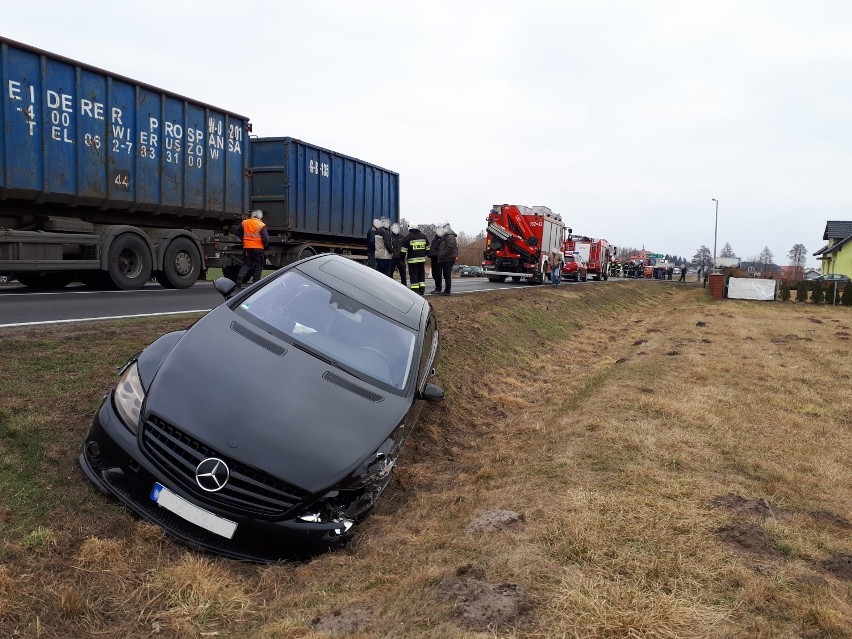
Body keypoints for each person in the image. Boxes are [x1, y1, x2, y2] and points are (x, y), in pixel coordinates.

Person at [234, 209, 269, 288]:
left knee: (247, 263)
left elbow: (237, 232)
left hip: (247, 247)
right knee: (259, 265)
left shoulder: (245, 222)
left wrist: (244, 238)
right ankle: (256, 282)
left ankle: (240, 276)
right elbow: (265, 238)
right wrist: (265, 245)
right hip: (258, 248)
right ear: (260, 217)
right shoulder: (261, 225)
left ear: (252, 216)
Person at [401, 221, 429, 295]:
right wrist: (423, 254)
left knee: (414, 275)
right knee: (421, 275)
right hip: (422, 260)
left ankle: (415, 291)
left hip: (412, 261)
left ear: (409, 227)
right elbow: (428, 248)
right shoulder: (423, 236)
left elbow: (403, 251)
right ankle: (422, 290)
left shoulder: (407, 238)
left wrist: (402, 260)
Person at [437, 223, 458, 295]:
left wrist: (443, 255)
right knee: (446, 275)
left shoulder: (450, 237)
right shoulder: (446, 237)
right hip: (446, 259)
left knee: (447, 275)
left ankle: (447, 291)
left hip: (448, 259)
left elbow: (450, 247)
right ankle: (446, 290)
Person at [428, 225, 445, 294]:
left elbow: (441, 249)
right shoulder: (435, 238)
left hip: (438, 258)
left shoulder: (442, 239)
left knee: (438, 274)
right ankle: (437, 287)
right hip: (433, 258)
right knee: (434, 274)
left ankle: (438, 288)